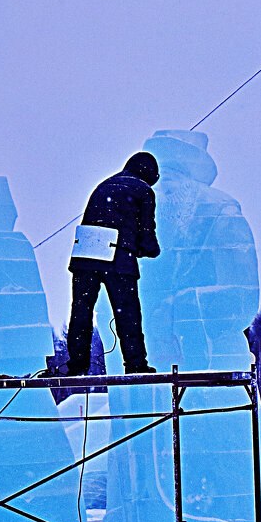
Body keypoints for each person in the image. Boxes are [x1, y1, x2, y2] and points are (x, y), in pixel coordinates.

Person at [64, 152, 161, 375]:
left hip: (85, 252)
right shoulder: (144, 190)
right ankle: (136, 364)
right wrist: (150, 250)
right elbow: (147, 233)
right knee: (127, 313)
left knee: (81, 310)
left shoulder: (103, 185)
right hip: (117, 253)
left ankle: (77, 364)